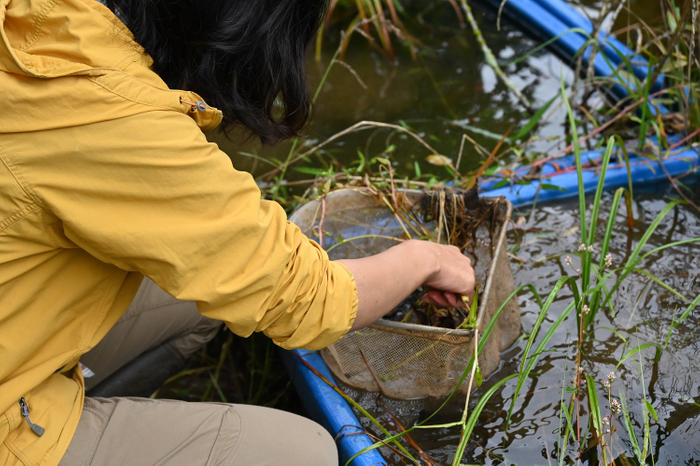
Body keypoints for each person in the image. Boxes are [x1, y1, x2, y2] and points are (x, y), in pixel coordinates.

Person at [0, 0, 476, 464]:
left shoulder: (43, 25)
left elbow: (234, 258)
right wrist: (426, 259)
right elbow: (312, 301)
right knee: (301, 454)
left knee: (204, 293)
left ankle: (70, 405)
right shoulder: (111, 115)